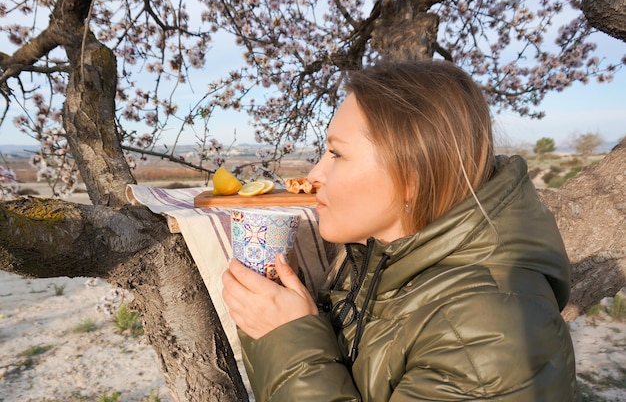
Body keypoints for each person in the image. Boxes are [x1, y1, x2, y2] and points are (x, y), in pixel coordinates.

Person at [222, 60, 579, 401]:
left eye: (337, 154)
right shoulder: (376, 265)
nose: (315, 175)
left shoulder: (484, 336)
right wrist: (280, 313)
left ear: (410, 179)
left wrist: (289, 341)